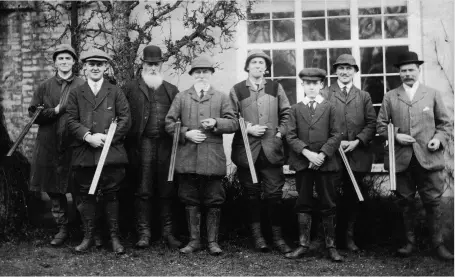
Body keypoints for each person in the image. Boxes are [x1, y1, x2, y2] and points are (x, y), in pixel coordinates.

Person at [377, 51, 453, 260]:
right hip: (402, 160)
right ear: (399, 73)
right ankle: (409, 243)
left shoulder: (432, 94)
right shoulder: (390, 96)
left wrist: (438, 139)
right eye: (403, 71)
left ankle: (438, 245)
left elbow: (445, 124)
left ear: (418, 71)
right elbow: (381, 125)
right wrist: (397, 136)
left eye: (411, 70)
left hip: (428, 158)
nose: (407, 74)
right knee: (405, 202)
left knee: (433, 202)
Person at [165, 56, 238, 255]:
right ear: (191, 75)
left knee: (214, 199)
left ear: (211, 74)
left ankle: (213, 242)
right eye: (197, 72)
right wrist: (185, 133)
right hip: (187, 157)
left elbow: (233, 123)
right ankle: (194, 241)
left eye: (205, 72)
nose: (201, 75)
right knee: (190, 199)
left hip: (212, 158)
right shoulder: (181, 97)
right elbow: (169, 123)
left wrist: (216, 123)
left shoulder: (221, 97)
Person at [66, 48, 131, 254]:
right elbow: (70, 120)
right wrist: (88, 136)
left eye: (99, 64)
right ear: (84, 68)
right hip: (85, 154)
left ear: (105, 67)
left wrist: (107, 137)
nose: (95, 67)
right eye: (91, 64)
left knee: (112, 194)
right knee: (87, 195)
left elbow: (125, 118)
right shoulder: (76, 92)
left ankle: (113, 237)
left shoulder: (115, 91)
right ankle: (89, 237)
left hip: (111, 152)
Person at [229, 50, 291, 253]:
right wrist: (247, 128)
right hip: (247, 152)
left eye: (261, 63)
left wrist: (280, 134)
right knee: (251, 196)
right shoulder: (237, 89)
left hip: (272, 152)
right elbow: (230, 118)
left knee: (274, 196)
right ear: (248, 67)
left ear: (266, 68)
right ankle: (258, 238)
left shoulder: (275, 87)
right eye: (254, 62)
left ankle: (278, 238)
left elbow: (287, 114)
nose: (258, 65)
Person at [124, 45, 181, 249]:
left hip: (166, 145)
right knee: (144, 189)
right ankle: (144, 233)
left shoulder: (171, 90)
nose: (153, 67)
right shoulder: (130, 89)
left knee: (167, 188)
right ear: (143, 65)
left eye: (156, 64)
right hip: (142, 145)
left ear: (162, 65)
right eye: (149, 64)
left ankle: (168, 232)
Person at [28, 44, 85, 246]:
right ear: (55, 62)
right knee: (53, 189)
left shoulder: (82, 85)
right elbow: (34, 115)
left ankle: (84, 229)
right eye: (60, 59)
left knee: (79, 187)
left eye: (68, 59)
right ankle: (62, 228)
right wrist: (56, 109)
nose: (64, 62)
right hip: (50, 143)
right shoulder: (44, 86)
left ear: (73, 62)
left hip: (75, 144)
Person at [285, 68, 343, 262]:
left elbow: (336, 134)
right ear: (302, 85)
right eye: (307, 83)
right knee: (303, 202)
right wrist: (308, 153)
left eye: (315, 83)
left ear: (321, 85)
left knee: (328, 202)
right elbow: (290, 135)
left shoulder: (330, 107)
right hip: (303, 163)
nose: (311, 86)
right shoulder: (295, 109)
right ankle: (303, 245)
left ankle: (331, 246)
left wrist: (322, 155)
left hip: (325, 164)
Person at [323, 54, 376, 251]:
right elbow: (319, 122)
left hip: (356, 155)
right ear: (335, 71)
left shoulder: (363, 96)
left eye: (349, 68)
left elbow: (372, 124)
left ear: (355, 71)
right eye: (341, 68)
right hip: (333, 156)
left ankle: (349, 238)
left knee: (353, 197)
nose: (345, 72)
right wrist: (335, 142)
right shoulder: (326, 93)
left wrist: (357, 141)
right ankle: (331, 240)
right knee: (331, 196)